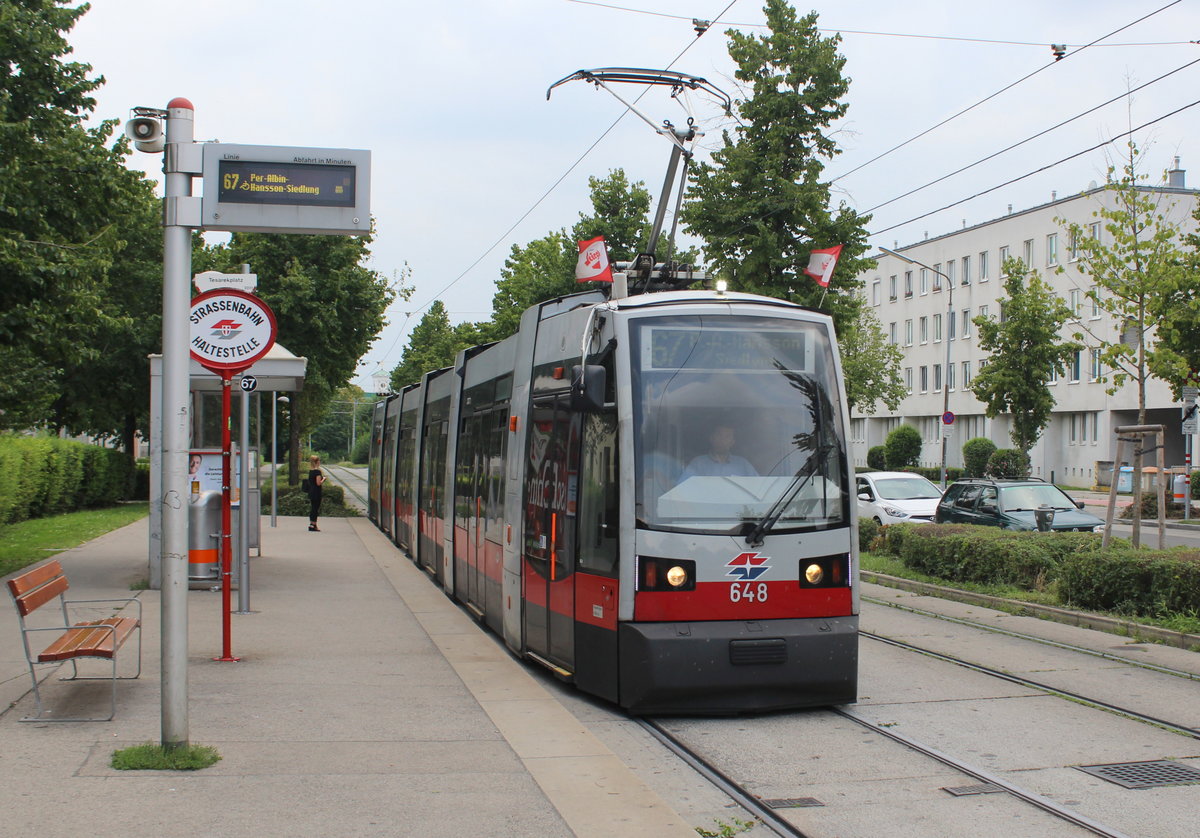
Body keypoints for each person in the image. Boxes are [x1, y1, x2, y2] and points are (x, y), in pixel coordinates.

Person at [678, 423, 758, 481]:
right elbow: (682, 489)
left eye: (727, 436)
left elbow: (759, 488)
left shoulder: (743, 464)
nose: (722, 440)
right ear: (712, 438)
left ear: (732, 442)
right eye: (719, 435)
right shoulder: (698, 463)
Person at [307, 454, 325, 532]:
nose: (319, 462)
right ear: (317, 462)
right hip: (316, 492)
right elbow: (318, 483)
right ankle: (314, 525)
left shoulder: (311, 471)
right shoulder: (317, 472)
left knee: (313, 508)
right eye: (319, 461)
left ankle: (311, 524)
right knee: (315, 508)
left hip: (311, 491)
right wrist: (323, 479)